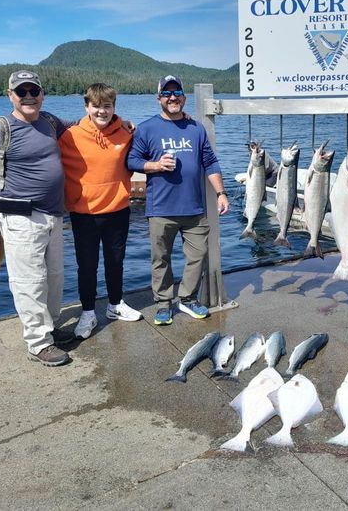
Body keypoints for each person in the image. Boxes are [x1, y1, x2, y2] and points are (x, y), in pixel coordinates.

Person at [0, 70, 74, 367]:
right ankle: (38, 343)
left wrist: (119, 122)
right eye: (21, 92)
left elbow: (79, 126)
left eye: (34, 91)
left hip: (53, 215)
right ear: (10, 95)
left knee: (53, 277)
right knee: (30, 281)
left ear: (42, 94)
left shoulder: (50, 121)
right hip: (19, 216)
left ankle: (50, 327)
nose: (28, 97)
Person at [127, 75, 230, 325]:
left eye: (177, 93)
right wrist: (155, 165)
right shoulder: (147, 128)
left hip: (195, 209)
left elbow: (210, 162)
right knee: (160, 259)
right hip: (161, 208)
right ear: (159, 98)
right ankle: (164, 303)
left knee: (198, 255)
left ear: (184, 97)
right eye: (166, 94)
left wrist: (221, 192)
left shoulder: (196, 128)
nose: (172, 98)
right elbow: (131, 161)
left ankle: (187, 298)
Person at [59, 83, 143, 339]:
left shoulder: (127, 134)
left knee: (115, 262)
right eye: (96, 106)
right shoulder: (70, 136)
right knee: (87, 266)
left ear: (114, 108)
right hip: (83, 213)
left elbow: (142, 150)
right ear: (87, 107)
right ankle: (87, 312)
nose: (102, 111)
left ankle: (115, 305)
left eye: (107, 106)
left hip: (117, 210)